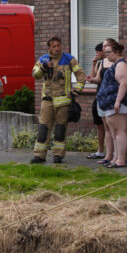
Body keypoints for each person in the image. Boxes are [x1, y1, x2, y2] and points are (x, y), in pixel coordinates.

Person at [31, 36, 86, 164]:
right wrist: (44, 67)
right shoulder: (43, 59)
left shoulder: (69, 59)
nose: (57, 48)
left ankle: (58, 155)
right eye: (54, 46)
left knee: (61, 129)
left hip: (63, 102)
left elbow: (81, 76)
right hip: (47, 100)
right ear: (49, 48)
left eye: (58, 45)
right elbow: (35, 74)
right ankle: (39, 155)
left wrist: (76, 91)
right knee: (43, 128)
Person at [96, 39, 127, 169]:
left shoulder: (121, 64)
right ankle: (116, 158)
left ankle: (120, 159)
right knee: (114, 132)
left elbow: (124, 83)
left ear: (116, 51)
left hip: (116, 103)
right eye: (105, 53)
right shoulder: (116, 63)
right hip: (110, 103)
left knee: (119, 131)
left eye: (109, 52)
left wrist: (117, 101)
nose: (107, 55)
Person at [85, 42, 110, 159]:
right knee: (99, 124)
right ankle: (100, 150)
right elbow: (93, 78)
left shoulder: (111, 64)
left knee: (109, 126)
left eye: (97, 52)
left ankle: (112, 152)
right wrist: (93, 63)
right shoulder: (99, 63)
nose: (96, 54)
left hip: (107, 98)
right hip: (98, 96)